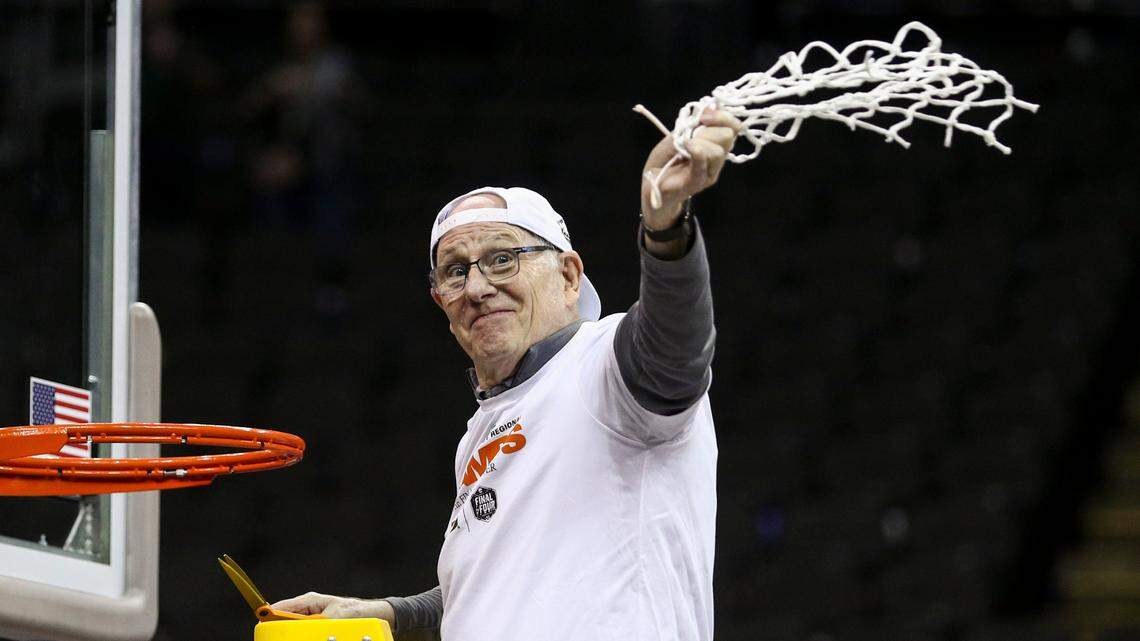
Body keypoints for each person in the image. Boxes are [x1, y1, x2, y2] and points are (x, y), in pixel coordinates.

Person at [273, 108, 742, 640]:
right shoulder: (482, 427)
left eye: (502, 259)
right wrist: (390, 611)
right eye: (456, 272)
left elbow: (676, 348)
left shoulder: (606, 366)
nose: (477, 288)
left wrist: (665, 229)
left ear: (569, 276)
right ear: (441, 302)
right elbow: (490, 583)